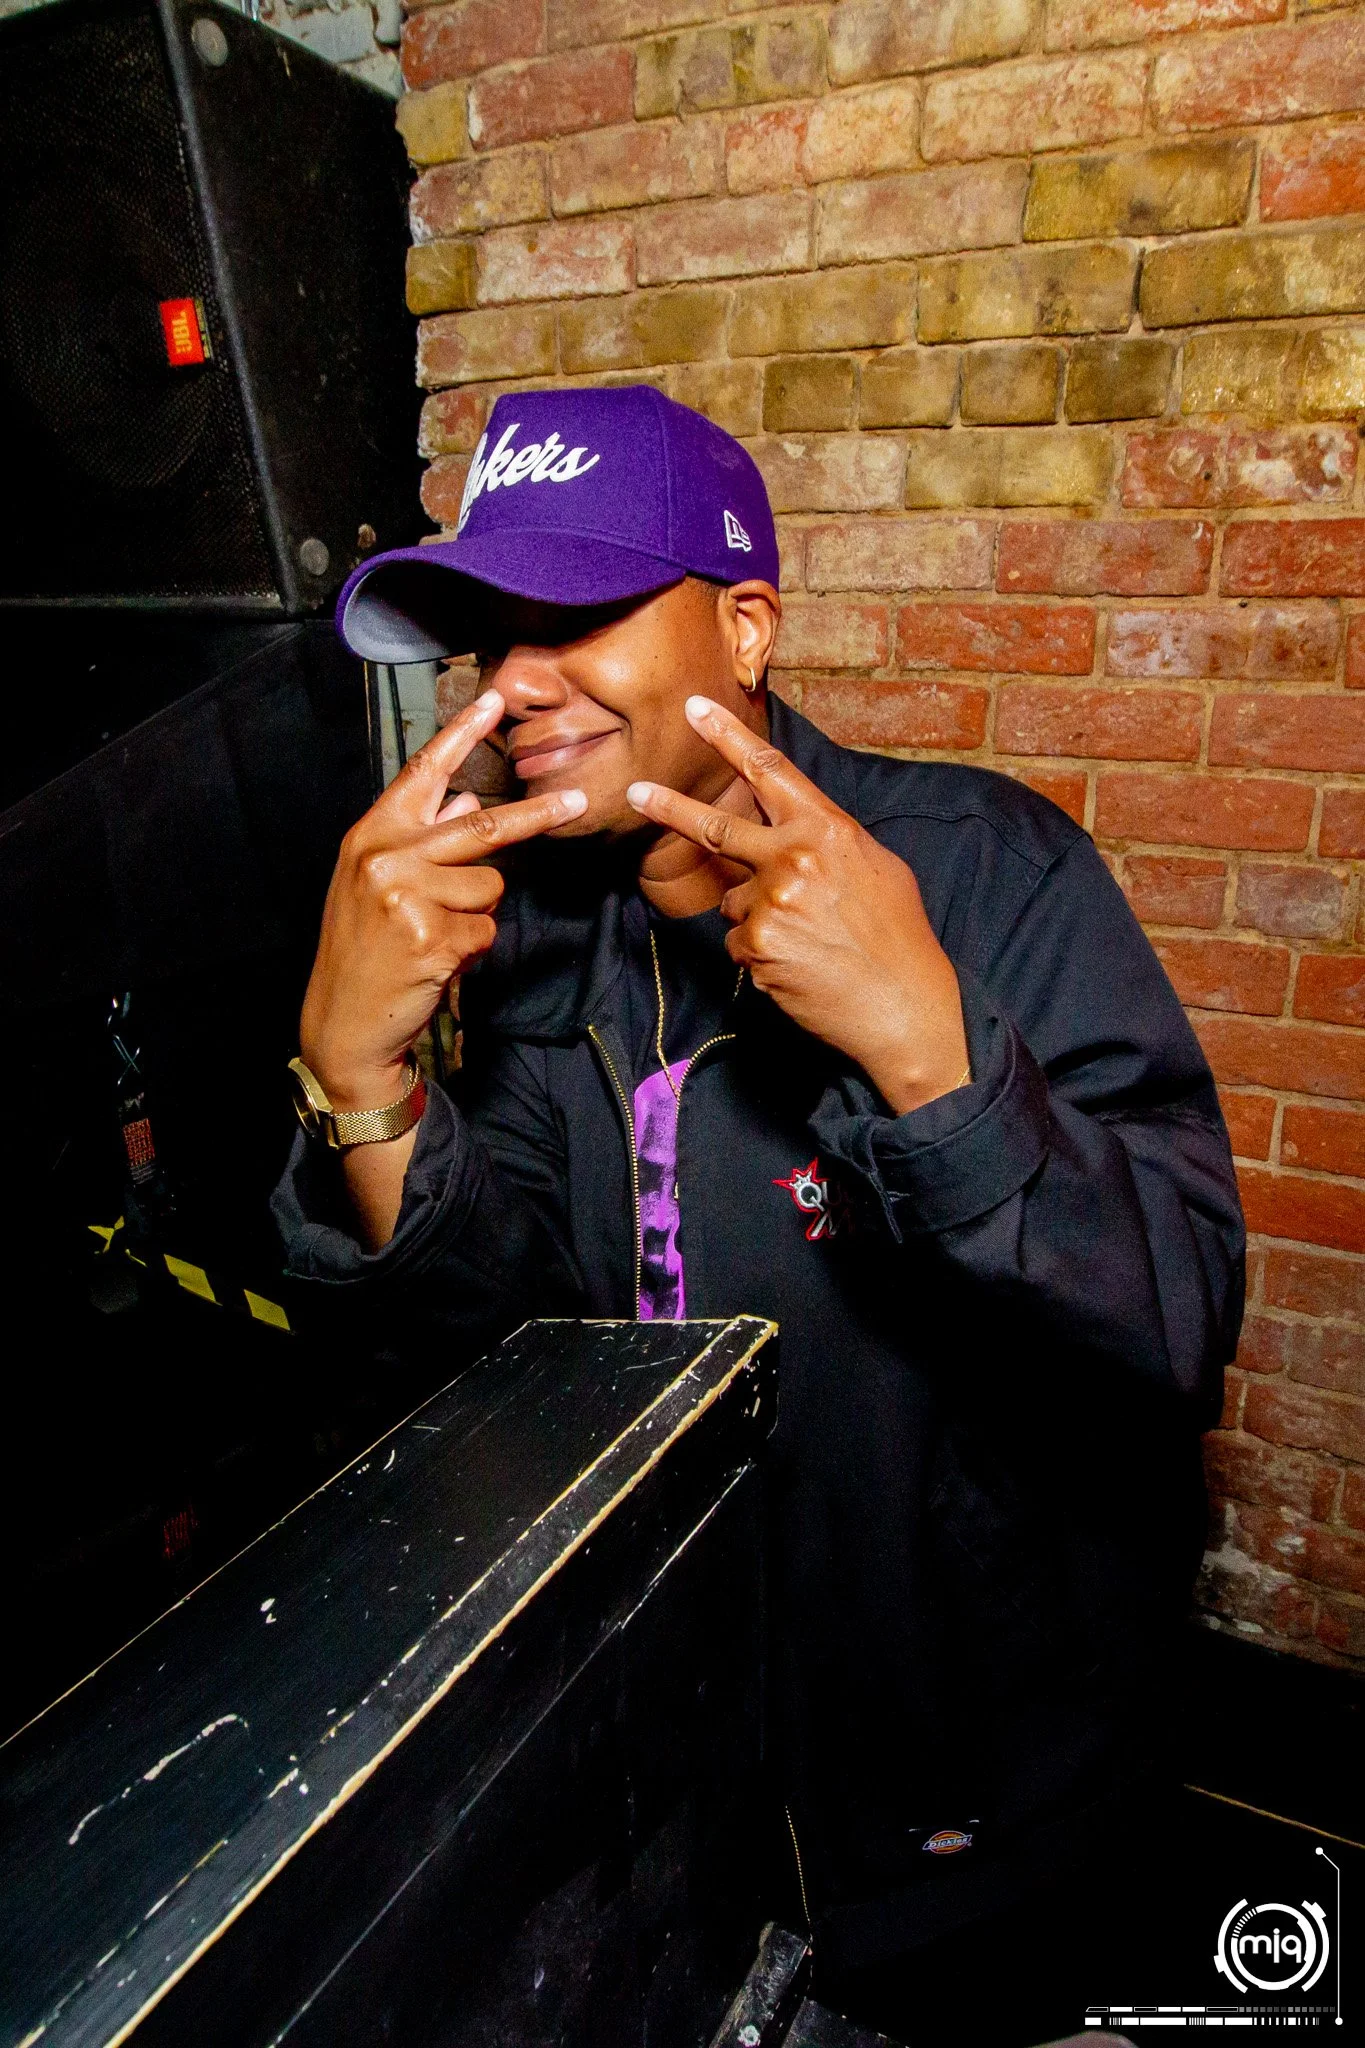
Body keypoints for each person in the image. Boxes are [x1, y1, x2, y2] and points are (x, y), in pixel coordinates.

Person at [274, 386, 1244, 2042]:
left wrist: (925, 1043)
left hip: (974, 1836)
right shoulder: (536, 934)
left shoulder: (985, 869)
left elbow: (1175, 1324)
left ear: (745, 628)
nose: (516, 683)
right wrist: (360, 1081)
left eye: (575, 614)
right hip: (669, 1793)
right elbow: (495, 1373)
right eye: (491, 636)